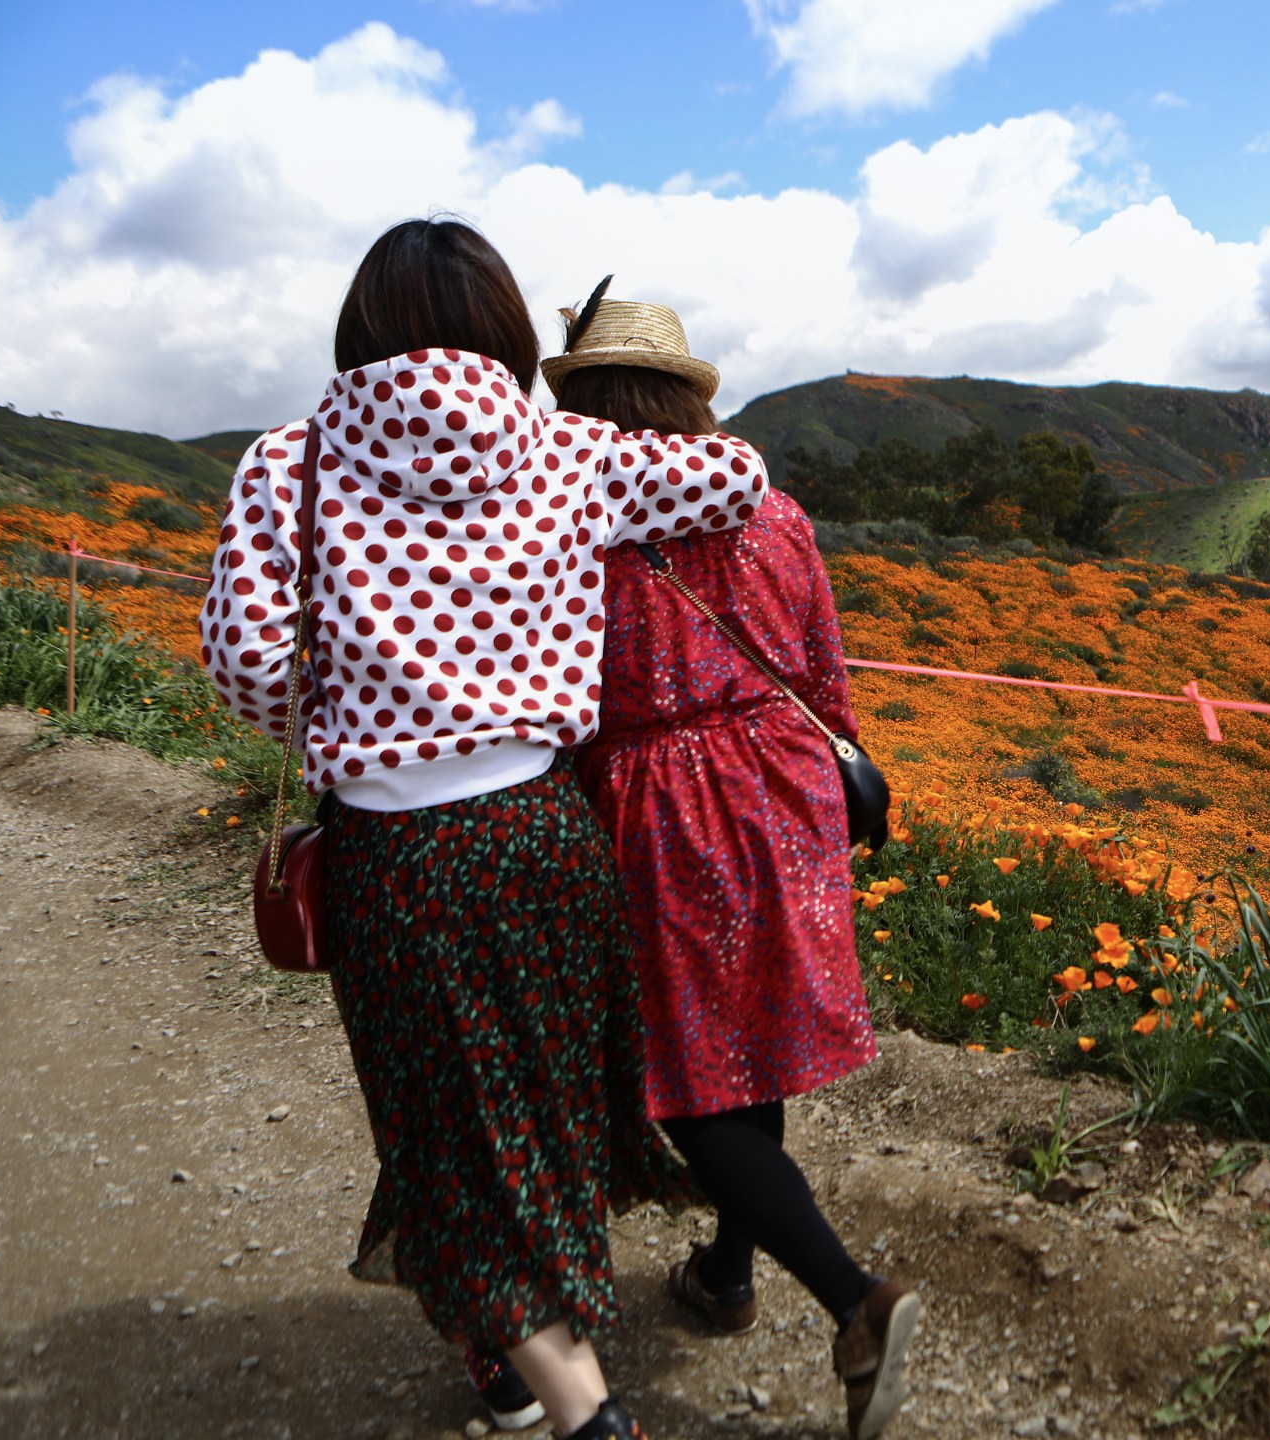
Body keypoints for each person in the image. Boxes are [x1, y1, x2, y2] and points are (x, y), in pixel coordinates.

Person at [200, 220, 768, 1440]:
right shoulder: (571, 451)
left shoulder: (289, 463)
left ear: (358, 332)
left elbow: (248, 665)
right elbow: (743, 478)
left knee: (443, 1124)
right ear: (511, 332)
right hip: (547, 835)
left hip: (399, 858)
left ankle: (580, 1406)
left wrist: (341, 695)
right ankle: (513, 1356)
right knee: (538, 1105)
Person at [546, 293, 921, 1440]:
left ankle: (854, 1299)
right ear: (686, 397)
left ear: (583, 404)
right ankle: (726, 1273)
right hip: (787, 782)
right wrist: (831, 775)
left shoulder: (575, 527)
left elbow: (562, 709)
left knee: (680, 1073)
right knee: (747, 1039)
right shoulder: (776, 510)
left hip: (664, 805)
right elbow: (822, 671)